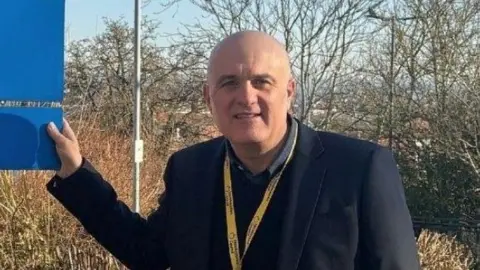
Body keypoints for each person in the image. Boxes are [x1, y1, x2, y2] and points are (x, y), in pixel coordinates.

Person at [45, 30, 420, 270]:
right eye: (229, 83)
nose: (246, 97)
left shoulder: (359, 169)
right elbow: (148, 253)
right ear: (209, 97)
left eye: (261, 81)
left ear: (289, 91)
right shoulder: (189, 169)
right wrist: (77, 175)